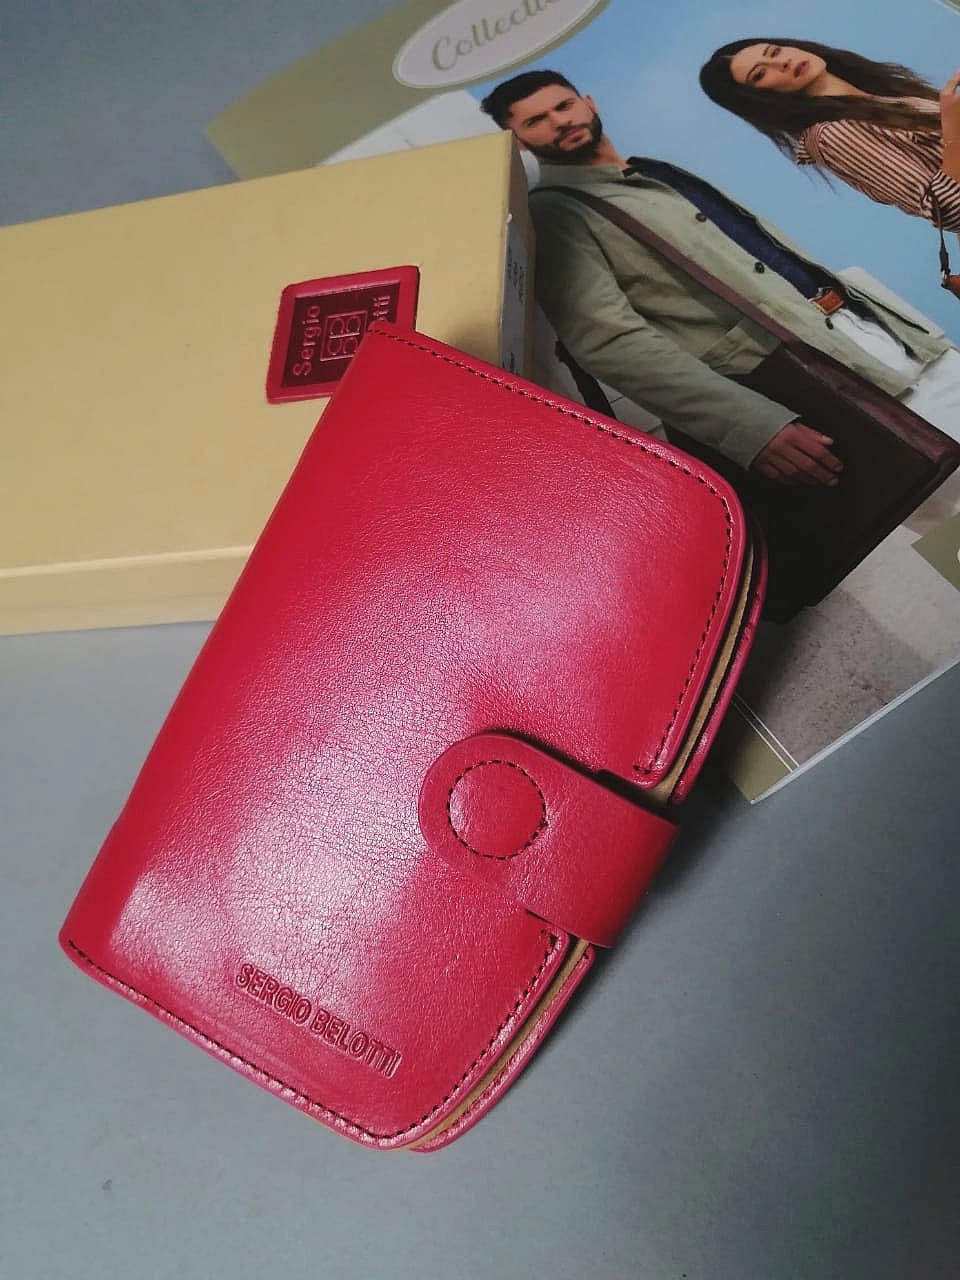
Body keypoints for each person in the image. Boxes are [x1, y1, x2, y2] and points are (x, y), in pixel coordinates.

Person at [478, 70, 959, 487]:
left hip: (880, 334)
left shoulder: (653, 170)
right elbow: (608, 340)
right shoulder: (554, 212)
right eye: (535, 121)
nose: (560, 121)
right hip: (813, 376)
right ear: (518, 141)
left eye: (563, 105)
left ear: (589, 103)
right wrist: (749, 426)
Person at [698, 40, 960, 234]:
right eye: (760, 73)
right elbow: (947, 210)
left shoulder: (881, 90)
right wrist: (952, 128)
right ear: (759, 99)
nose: (782, 62)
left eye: (774, 52)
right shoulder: (831, 134)